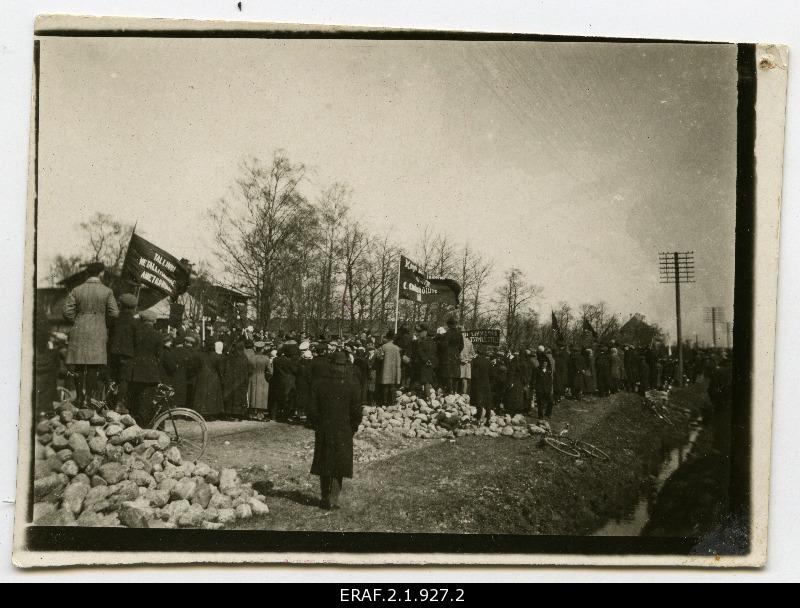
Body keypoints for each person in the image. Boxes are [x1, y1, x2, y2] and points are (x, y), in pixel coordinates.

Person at [307, 351, 363, 510]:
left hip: (324, 427)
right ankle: (333, 498)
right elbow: (356, 410)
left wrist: (316, 424)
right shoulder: (352, 383)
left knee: (324, 460)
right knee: (340, 463)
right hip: (344, 428)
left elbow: (311, 409)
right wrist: (354, 426)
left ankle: (324, 496)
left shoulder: (318, 382)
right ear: (345, 365)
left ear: (330, 364)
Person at [61, 262, 119, 406]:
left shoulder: (76, 290)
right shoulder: (107, 291)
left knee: (79, 365)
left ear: (88, 274)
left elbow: (67, 312)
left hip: (79, 329)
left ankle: (79, 397)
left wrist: (78, 320)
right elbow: (114, 313)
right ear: (101, 273)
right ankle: (88, 398)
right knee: (94, 366)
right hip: (98, 330)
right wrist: (102, 320)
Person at [127, 309, 163, 425]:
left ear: (142, 320)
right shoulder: (158, 334)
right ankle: (146, 426)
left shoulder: (135, 333)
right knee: (147, 402)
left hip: (135, 371)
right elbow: (159, 355)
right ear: (154, 321)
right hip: (151, 373)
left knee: (134, 400)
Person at [108, 293, 138, 410]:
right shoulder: (135, 323)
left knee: (113, 377)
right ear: (134, 307)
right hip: (128, 354)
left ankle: (108, 402)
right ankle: (119, 403)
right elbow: (136, 340)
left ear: (121, 305)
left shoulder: (114, 320)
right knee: (124, 379)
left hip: (113, 352)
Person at [193, 341, 225, 418]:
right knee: (212, 395)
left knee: (202, 395)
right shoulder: (216, 356)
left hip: (202, 376)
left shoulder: (200, 355)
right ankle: (211, 413)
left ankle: (200, 411)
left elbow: (196, 367)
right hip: (213, 377)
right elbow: (220, 368)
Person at [223, 339, 250, 418]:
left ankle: (230, 412)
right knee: (240, 397)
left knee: (232, 397)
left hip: (231, 380)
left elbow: (227, 368)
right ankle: (239, 413)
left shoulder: (230, 356)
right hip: (241, 381)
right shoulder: (244, 357)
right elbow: (249, 369)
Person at [246, 341, 271, 418]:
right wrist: (268, 377)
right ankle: (260, 413)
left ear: (255, 348)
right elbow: (270, 371)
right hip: (262, 377)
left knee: (252, 394)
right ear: (262, 349)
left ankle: (251, 412)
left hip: (252, 377)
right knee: (261, 395)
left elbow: (248, 369)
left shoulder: (251, 358)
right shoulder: (266, 359)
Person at [470, 344, 493, 425]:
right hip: (487, 383)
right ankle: (488, 418)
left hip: (478, 383)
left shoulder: (475, 361)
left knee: (479, 401)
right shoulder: (488, 362)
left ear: (478, 352)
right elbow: (491, 374)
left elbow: (473, 374)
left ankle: (479, 418)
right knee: (488, 401)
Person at [412, 325, 438, 397]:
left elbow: (420, 352)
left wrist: (427, 360)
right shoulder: (432, 341)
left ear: (425, 332)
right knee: (427, 380)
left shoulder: (422, 342)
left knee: (425, 380)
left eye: (420, 332)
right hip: (430, 363)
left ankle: (427, 397)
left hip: (424, 364)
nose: (419, 334)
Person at [379, 332, 402, 406]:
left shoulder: (384, 347)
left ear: (387, 338)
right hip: (394, 369)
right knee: (392, 386)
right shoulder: (396, 348)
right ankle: (392, 402)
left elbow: (380, 358)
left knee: (385, 386)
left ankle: (384, 403)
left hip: (386, 369)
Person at [443, 318, 464, 394]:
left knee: (449, 373)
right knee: (456, 373)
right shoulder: (459, 333)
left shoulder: (448, 333)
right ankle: (455, 391)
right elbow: (462, 345)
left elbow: (444, 344)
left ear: (449, 325)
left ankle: (449, 391)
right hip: (456, 354)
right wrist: (457, 351)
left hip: (449, 354)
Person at [534, 356, 555, 423]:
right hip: (540, 390)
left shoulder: (549, 370)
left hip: (547, 390)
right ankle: (540, 416)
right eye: (543, 363)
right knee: (540, 403)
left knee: (551, 402)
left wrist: (549, 388)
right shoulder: (537, 370)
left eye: (545, 363)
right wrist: (536, 388)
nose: (544, 364)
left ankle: (548, 413)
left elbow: (550, 381)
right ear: (541, 364)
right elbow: (534, 380)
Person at [459, 329, 476, 395]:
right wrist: (468, 359)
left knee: (458, 379)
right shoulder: (469, 342)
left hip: (459, 362)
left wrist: (461, 359)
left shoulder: (457, 341)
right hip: (466, 363)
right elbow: (473, 354)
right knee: (464, 379)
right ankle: (464, 394)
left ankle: (457, 394)